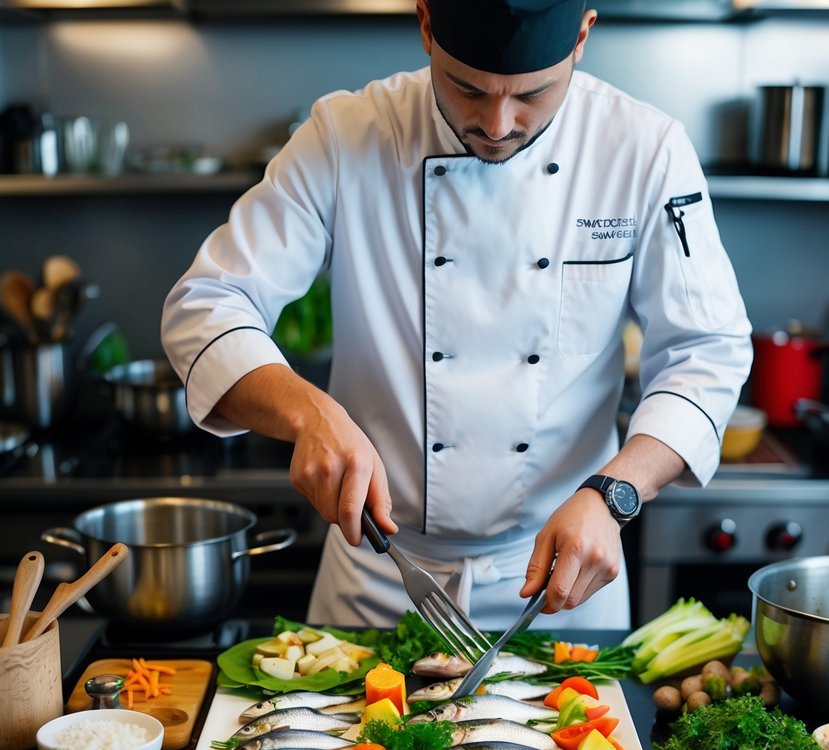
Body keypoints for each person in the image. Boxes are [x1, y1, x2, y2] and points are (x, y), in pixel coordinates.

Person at [161, 0, 752, 632]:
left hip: (564, 578)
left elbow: (707, 349)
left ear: (582, 38)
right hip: (380, 576)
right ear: (424, 25)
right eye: (467, 88)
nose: (497, 123)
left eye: (533, 93)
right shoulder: (346, 134)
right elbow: (208, 303)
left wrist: (616, 493)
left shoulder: (643, 149)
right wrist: (309, 413)